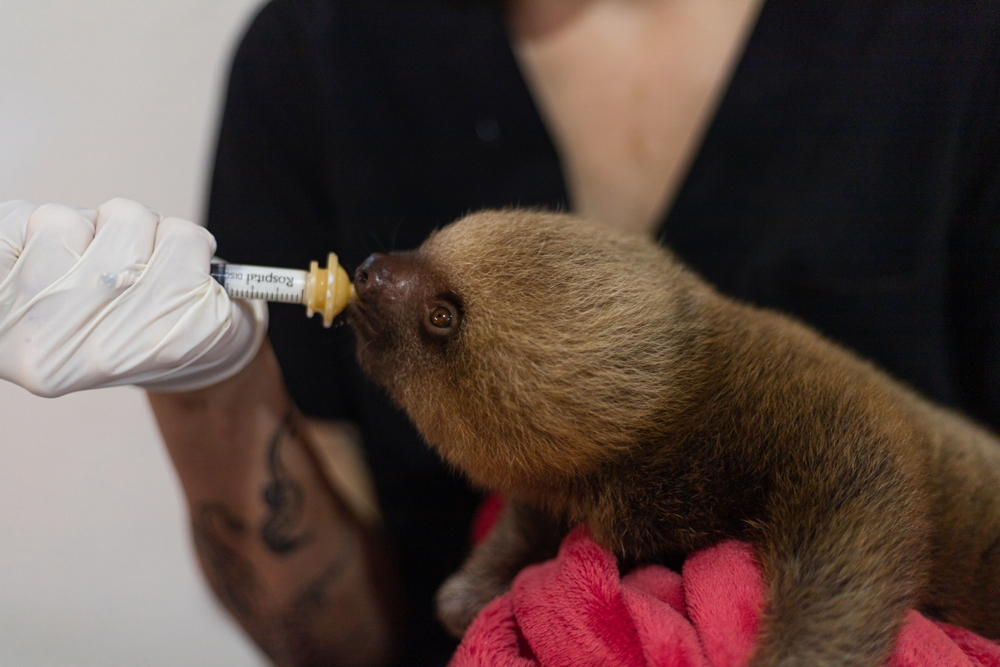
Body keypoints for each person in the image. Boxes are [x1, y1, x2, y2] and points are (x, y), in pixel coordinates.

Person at [1, 1, 997, 665]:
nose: (382, 276)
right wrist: (206, 384)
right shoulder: (315, 54)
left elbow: (854, 487)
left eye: (442, 315)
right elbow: (345, 632)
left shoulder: (955, 42)